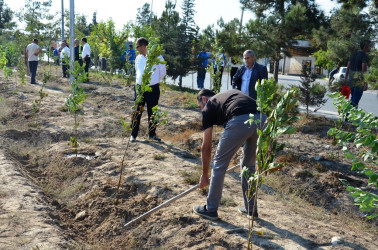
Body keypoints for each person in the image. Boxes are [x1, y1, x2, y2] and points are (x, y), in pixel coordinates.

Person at [192, 89, 266, 220]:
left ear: (204, 99)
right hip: (262, 119)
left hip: (240, 119)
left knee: (219, 164)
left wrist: (204, 175)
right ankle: (251, 210)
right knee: (248, 166)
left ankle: (210, 209)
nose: (201, 110)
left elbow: (206, 147)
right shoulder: (227, 96)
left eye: (199, 107)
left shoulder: (209, 105)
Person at [130, 37, 166, 143]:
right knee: (137, 111)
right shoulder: (138, 58)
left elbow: (162, 72)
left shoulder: (156, 56)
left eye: (137, 47)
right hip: (140, 88)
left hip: (152, 89)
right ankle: (133, 135)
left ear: (143, 46)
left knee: (152, 112)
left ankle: (152, 134)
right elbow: (138, 72)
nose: (137, 49)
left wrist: (153, 82)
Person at [344, 40, 372, 108]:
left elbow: (348, 68)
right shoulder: (364, 56)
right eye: (370, 46)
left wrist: (345, 80)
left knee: (353, 99)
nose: (371, 47)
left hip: (351, 80)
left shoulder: (353, 54)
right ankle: (350, 118)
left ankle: (347, 117)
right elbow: (364, 71)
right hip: (359, 82)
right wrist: (365, 83)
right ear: (365, 47)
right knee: (355, 101)